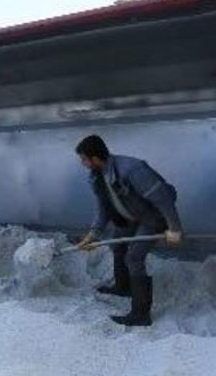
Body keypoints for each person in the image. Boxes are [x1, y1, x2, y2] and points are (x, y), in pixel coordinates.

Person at [75, 134, 183, 326]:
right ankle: (123, 287)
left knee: (134, 257)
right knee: (117, 246)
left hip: (153, 216)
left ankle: (141, 314)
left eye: (84, 159)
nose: (82, 163)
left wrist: (174, 228)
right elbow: (103, 209)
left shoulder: (133, 169)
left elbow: (163, 198)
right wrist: (93, 234)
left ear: (95, 158)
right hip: (130, 215)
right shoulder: (96, 177)